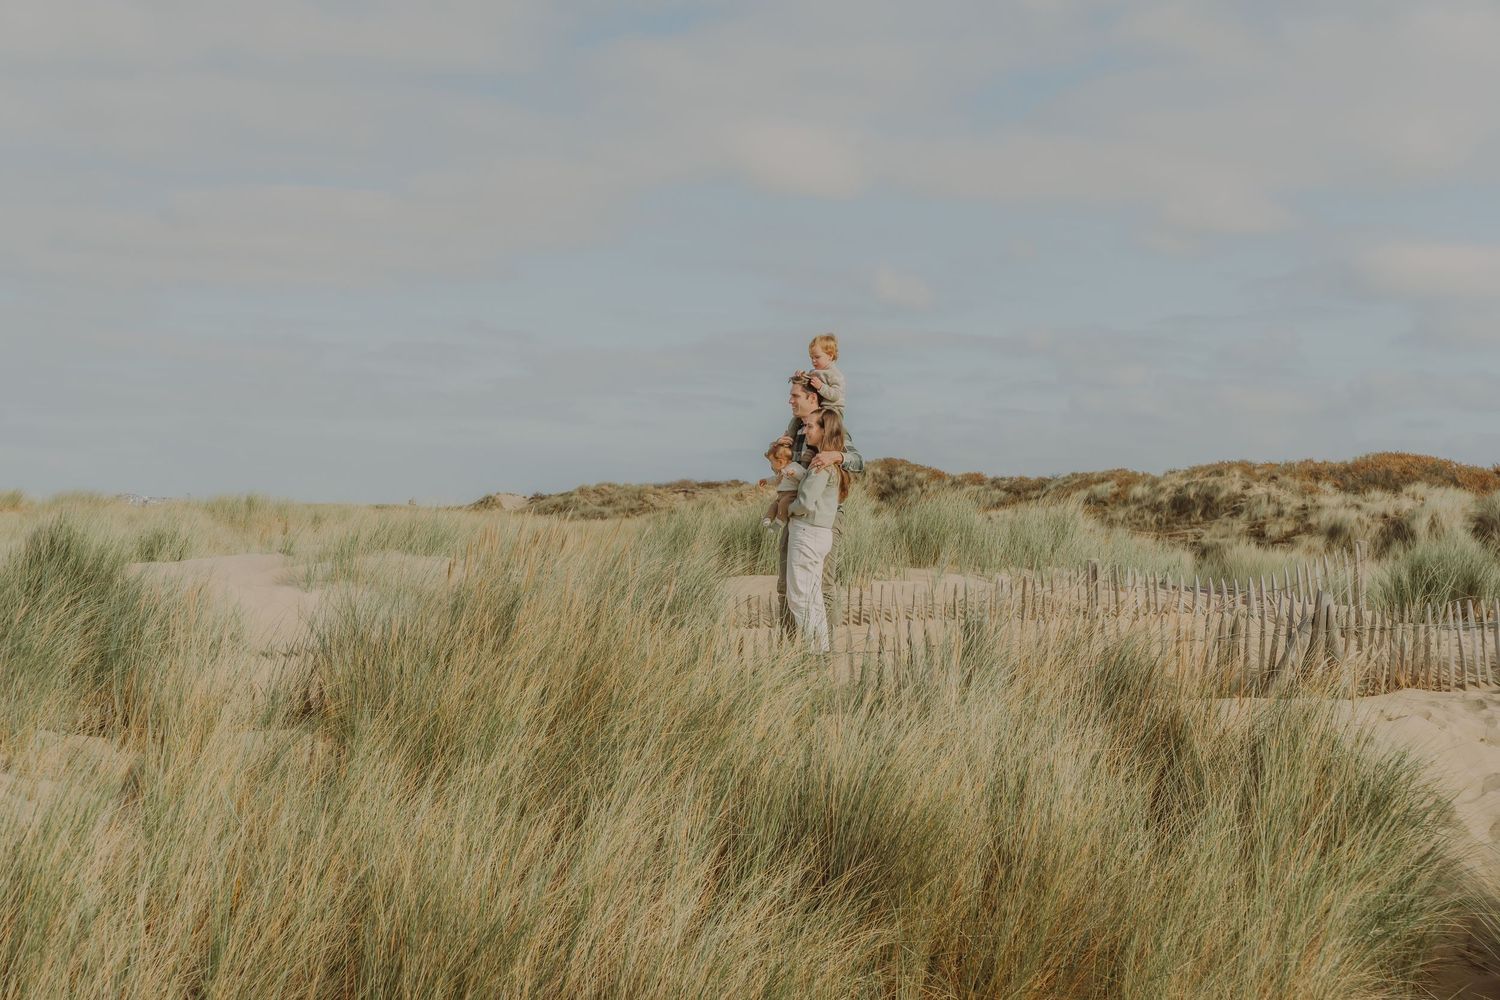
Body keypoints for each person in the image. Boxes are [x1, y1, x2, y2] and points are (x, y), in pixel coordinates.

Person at [775, 375, 863, 635]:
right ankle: (792, 647)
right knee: (786, 585)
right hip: (797, 515)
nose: (790, 401)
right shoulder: (796, 432)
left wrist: (836, 455)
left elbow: (858, 461)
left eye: (795, 396)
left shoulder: (830, 426)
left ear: (812, 397)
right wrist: (779, 454)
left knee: (822, 586)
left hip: (825, 518)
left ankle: (825, 648)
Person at [785, 408, 850, 650]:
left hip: (807, 533)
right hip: (818, 534)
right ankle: (820, 648)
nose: (805, 431)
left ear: (825, 431)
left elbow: (805, 502)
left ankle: (813, 651)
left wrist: (787, 509)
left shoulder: (821, 465)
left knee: (799, 597)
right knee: (812, 597)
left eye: (811, 426)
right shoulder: (829, 464)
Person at [783, 333, 847, 439]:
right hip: (820, 408)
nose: (813, 360)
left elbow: (836, 395)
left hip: (832, 411)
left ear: (830, 356)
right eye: (811, 357)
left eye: (817, 357)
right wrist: (801, 375)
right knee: (797, 418)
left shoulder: (834, 374)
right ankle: (790, 437)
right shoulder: (815, 372)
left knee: (816, 425)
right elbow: (807, 383)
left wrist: (821, 387)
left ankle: (823, 442)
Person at [760, 438, 805, 528]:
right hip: (781, 494)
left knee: (783, 504)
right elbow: (775, 479)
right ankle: (768, 518)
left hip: (791, 493)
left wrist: (794, 473)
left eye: (772, 462)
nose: (771, 465)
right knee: (774, 505)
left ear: (780, 462)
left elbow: (804, 474)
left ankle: (779, 522)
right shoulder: (781, 470)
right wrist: (766, 480)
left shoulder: (794, 466)